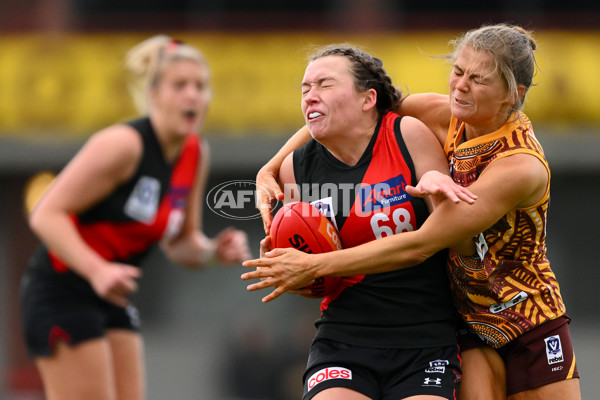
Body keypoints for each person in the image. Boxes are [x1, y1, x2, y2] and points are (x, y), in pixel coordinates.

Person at [242, 24, 581, 400]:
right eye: (457, 71)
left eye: (478, 79)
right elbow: (348, 114)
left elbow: (420, 244)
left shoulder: (520, 165)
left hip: (526, 313)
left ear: (513, 95)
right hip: (461, 316)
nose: (460, 86)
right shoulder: (436, 112)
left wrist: (314, 266)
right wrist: (269, 167)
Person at [20, 35, 250, 400]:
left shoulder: (195, 153)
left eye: (200, 86)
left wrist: (210, 252)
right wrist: (98, 270)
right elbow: (46, 214)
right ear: (153, 94)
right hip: (61, 291)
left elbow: (180, 242)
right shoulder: (123, 145)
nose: (193, 95)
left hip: (110, 297)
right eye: (180, 85)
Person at [260, 43, 480, 400]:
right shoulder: (295, 169)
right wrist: (287, 268)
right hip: (344, 339)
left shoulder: (407, 135)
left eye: (324, 85)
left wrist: (441, 196)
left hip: (424, 340)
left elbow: (459, 244)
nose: (310, 97)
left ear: (367, 99)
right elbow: (315, 282)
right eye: (305, 90)